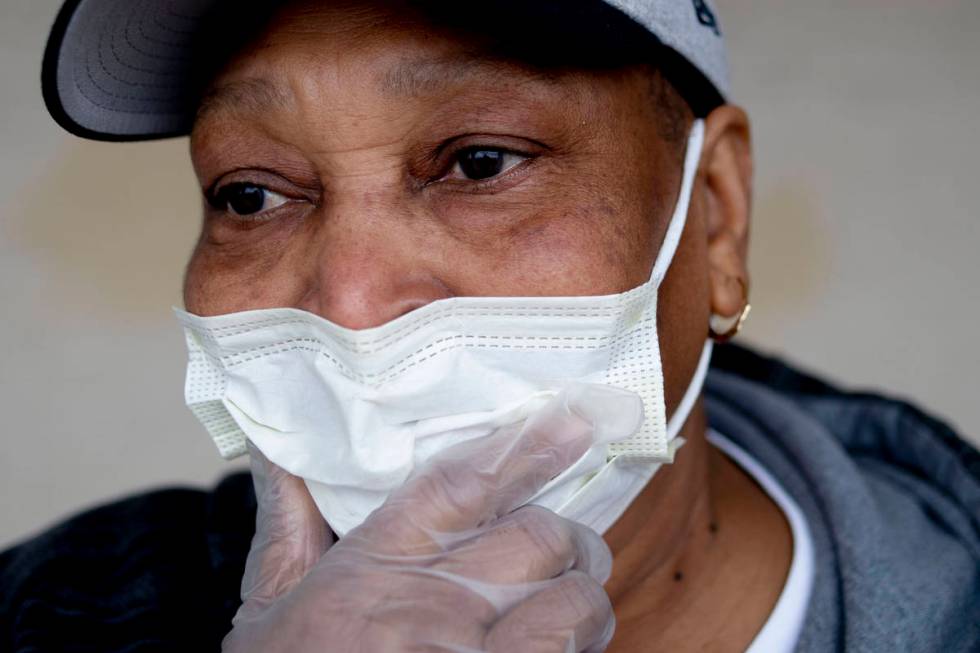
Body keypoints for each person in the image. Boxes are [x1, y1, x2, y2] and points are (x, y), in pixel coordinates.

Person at [2, 0, 977, 651]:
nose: (352, 302)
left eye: (478, 163)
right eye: (251, 192)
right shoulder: (50, 612)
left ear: (714, 215)